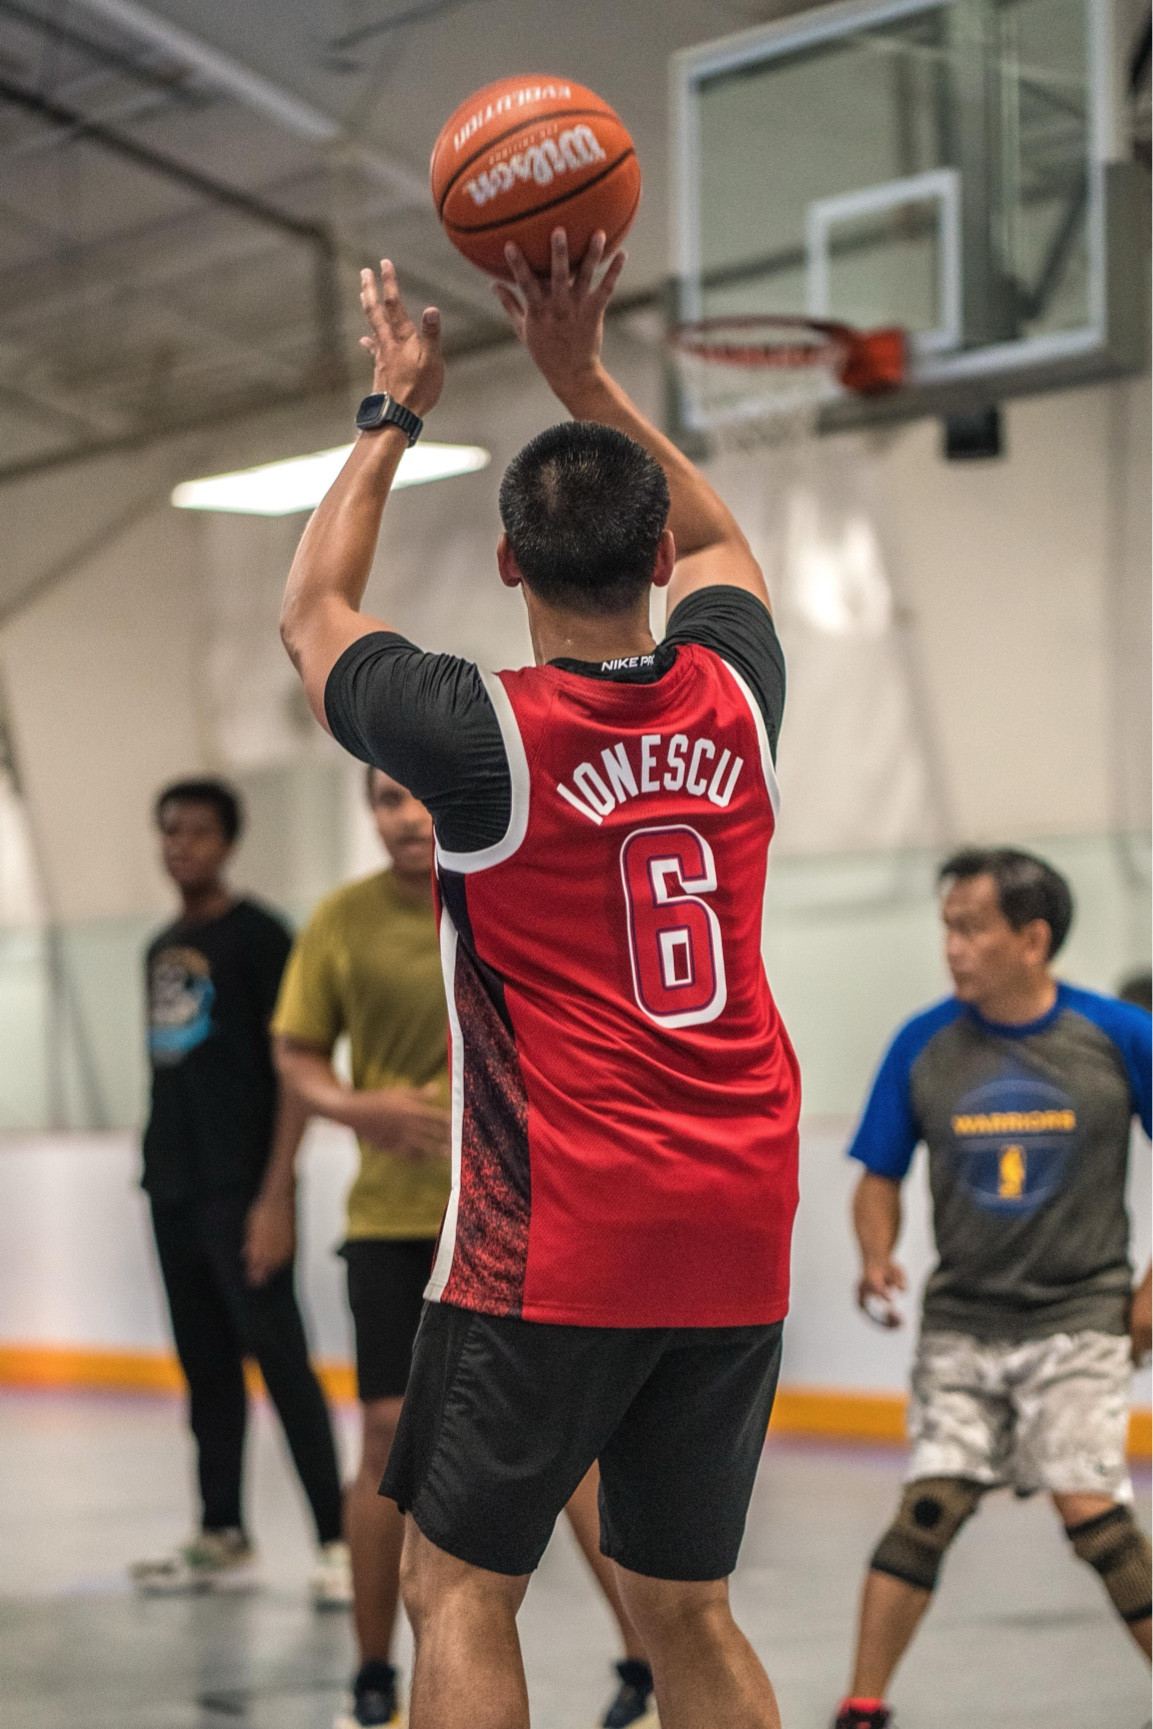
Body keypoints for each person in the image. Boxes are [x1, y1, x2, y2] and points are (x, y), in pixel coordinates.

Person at [277, 229, 800, 1729]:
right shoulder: (737, 690)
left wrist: (393, 411)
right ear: (649, 561)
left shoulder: (476, 732)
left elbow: (311, 614)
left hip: (560, 1229)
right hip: (739, 1212)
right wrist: (581, 369)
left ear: (508, 562)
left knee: (461, 1586)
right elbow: (720, 548)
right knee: (687, 1607)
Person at [271, 765, 657, 1729]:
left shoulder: (515, 883)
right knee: (384, 1443)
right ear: (370, 814)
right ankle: (374, 1677)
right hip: (394, 1224)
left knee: (565, 1453)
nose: (406, 816)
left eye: (420, 796)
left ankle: (645, 1662)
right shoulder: (341, 922)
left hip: (523, 1216)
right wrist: (354, 1106)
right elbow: (295, 1052)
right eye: (387, 800)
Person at [834, 847, 1152, 1729]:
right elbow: (877, 1172)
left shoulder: (1120, 1036)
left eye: (970, 927)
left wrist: (1147, 1296)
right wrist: (874, 1253)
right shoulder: (923, 1042)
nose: (952, 946)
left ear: (1032, 937)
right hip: (962, 1322)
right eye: (946, 927)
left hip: (1079, 1313)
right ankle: (861, 1706)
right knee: (926, 1509)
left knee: (1095, 1516)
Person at [131, 777, 348, 1603]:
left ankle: (333, 1536)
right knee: (206, 1365)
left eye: (195, 831)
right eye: (169, 831)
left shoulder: (262, 938)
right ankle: (221, 1528)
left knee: (281, 1359)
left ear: (227, 841)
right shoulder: (156, 947)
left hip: (240, 1186)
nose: (179, 844)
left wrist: (275, 1193)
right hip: (174, 1188)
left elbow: (294, 1072)